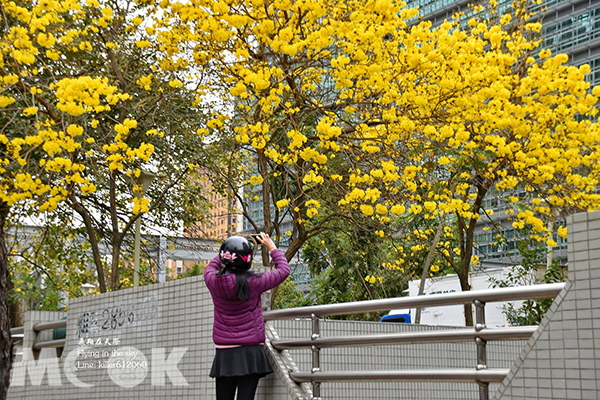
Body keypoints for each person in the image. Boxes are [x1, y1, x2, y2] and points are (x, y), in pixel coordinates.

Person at [204, 232, 290, 400]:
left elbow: (213, 265)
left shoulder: (212, 281)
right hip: (251, 351)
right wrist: (271, 246)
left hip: (225, 352)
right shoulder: (255, 282)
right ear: (248, 260)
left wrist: (229, 246)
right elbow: (283, 270)